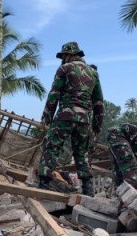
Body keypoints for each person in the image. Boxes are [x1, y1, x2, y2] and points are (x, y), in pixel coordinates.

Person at [38, 41, 97, 196]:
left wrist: (46, 118)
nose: (62, 59)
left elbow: (54, 95)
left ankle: (43, 184)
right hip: (85, 119)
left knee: (51, 147)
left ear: (69, 55)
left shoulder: (64, 69)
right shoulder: (93, 72)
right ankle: (88, 189)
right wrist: (97, 126)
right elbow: (98, 101)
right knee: (81, 153)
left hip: (66, 115)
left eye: (63, 56)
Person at [88, 64, 105, 164]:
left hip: (90, 123)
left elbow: (99, 108)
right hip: (87, 121)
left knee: (90, 145)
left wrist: (97, 127)